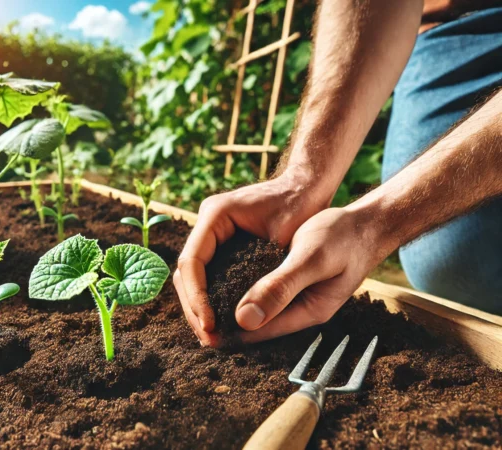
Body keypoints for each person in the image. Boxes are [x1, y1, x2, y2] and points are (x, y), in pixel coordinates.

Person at [174, 0, 502, 347]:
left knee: (459, 249)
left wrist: (377, 222)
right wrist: (301, 182)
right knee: (449, 259)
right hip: (454, 23)